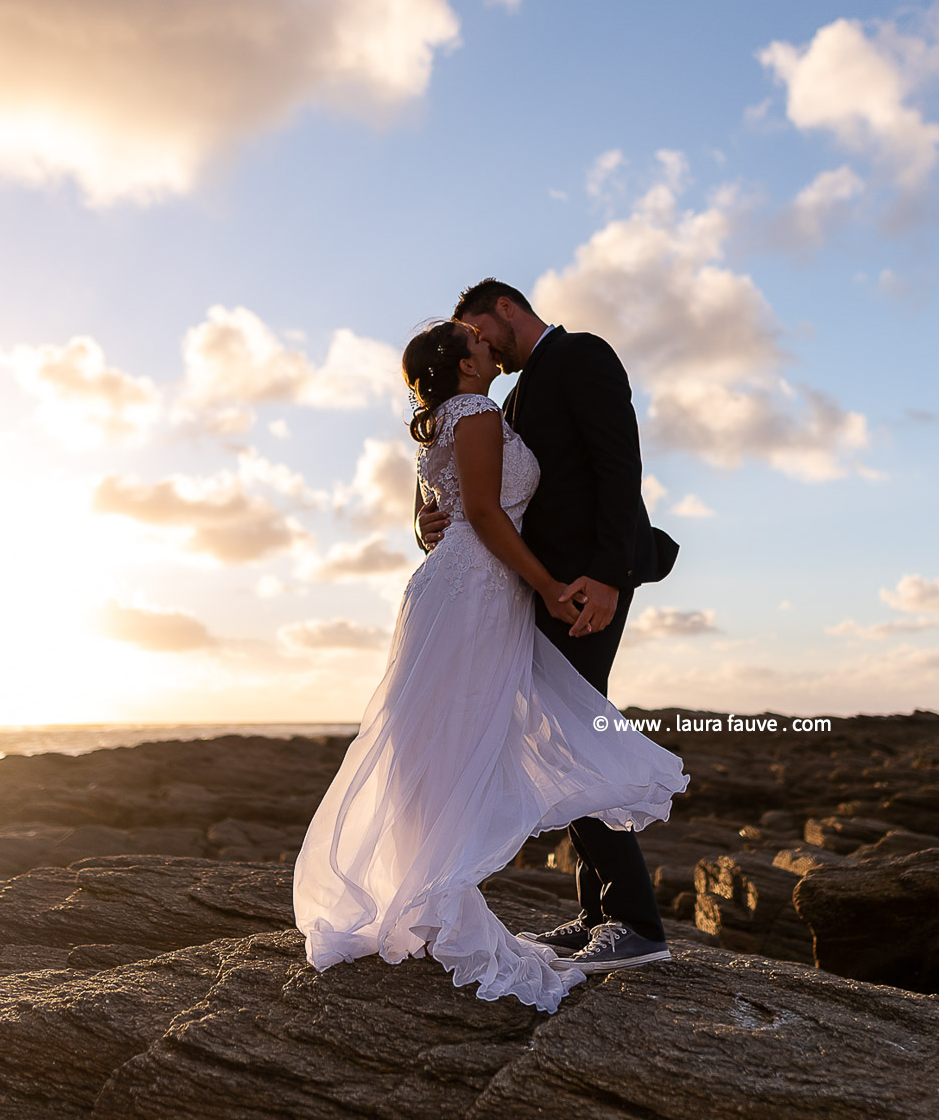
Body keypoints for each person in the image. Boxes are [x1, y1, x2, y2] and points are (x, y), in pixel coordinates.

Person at [292, 314, 687, 1012]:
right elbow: (478, 508)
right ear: (465, 363)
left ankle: (492, 895)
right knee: (479, 737)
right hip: (479, 587)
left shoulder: (456, 412)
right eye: (474, 340)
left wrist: (427, 521)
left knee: (458, 737)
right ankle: (589, 911)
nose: (487, 342)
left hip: (470, 588)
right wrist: (543, 582)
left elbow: (444, 501)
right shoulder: (475, 408)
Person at [422, 278, 680, 973]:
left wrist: (607, 575)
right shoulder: (512, 396)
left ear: (504, 307)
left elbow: (618, 465)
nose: (475, 343)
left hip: (587, 583)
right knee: (555, 730)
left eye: (476, 328)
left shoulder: (584, 355)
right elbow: (491, 492)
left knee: (573, 732)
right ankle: (598, 909)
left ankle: (635, 920)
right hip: (545, 589)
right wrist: (432, 513)